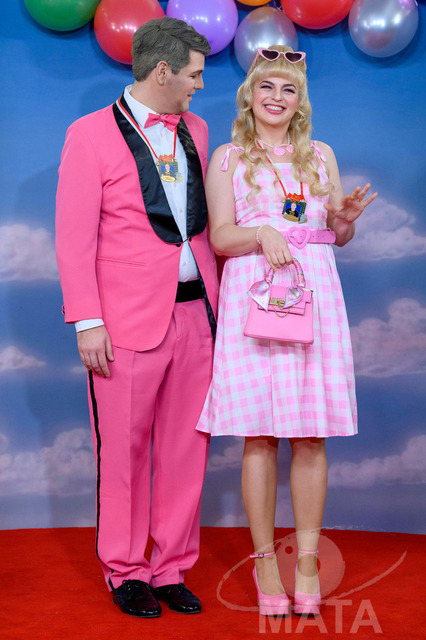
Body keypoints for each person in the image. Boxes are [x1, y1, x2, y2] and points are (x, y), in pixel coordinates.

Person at [196, 46, 377, 617]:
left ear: (301, 102)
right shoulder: (228, 158)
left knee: (310, 436)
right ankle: (264, 565)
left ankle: (306, 563)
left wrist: (343, 222)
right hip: (254, 298)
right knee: (259, 437)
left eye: (288, 89)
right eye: (267, 86)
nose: (276, 97)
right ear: (249, 95)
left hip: (313, 295)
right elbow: (220, 236)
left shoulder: (320, 155)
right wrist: (261, 234)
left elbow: (334, 235)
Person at [55, 17, 218, 618]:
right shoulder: (88, 135)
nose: (200, 85)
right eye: (194, 74)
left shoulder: (198, 129)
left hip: (197, 315)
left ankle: (171, 567)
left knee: (186, 450)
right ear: (163, 71)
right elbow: (73, 239)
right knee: (123, 453)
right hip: (122, 324)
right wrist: (86, 320)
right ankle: (125, 570)